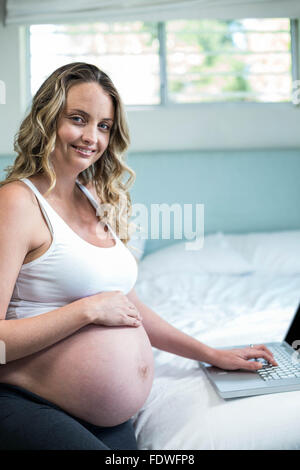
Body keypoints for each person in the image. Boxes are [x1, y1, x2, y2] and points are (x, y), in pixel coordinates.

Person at [0, 62, 277, 450]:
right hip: (27, 403)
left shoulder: (94, 194)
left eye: (103, 125)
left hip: (101, 418)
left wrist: (209, 353)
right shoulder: (16, 201)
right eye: (78, 119)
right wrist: (87, 311)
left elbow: (125, 304)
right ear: (47, 120)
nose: (91, 137)